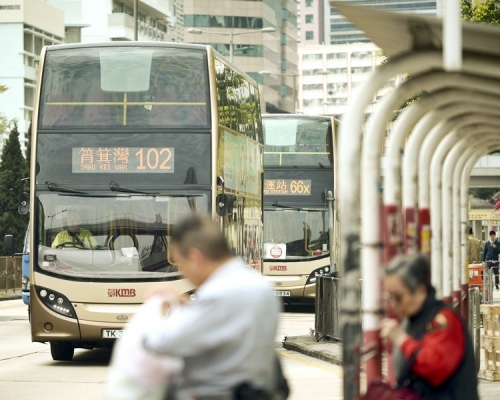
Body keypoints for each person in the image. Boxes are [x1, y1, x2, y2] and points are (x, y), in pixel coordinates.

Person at [142, 214, 285, 400]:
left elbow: (159, 342)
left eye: (180, 264)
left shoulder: (220, 293)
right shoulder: (260, 285)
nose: (181, 272)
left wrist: (154, 314)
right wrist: (187, 304)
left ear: (195, 258)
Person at [379, 254, 479, 400]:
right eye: (389, 297)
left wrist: (401, 339)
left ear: (420, 292)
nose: (393, 304)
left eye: (398, 297)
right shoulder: (412, 319)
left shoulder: (445, 318)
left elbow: (434, 366)